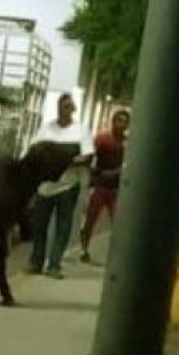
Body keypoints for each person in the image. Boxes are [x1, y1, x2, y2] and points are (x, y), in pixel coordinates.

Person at [27, 94, 94, 279]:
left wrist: (64, 161)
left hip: (67, 185)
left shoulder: (81, 131)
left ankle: (54, 264)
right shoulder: (46, 129)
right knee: (39, 226)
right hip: (45, 186)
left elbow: (88, 156)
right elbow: (34, 151)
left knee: (62, 227)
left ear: (72, 110)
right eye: (61, 107)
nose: (64, 110)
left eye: (67, 107)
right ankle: (36, 262)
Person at [79, 109, 129, 264]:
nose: (122, 124)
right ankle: (84, 250)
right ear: (113, 121)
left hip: (116, 188)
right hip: (100, 186)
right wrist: (94, 177)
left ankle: (117, 255)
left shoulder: (127, 143)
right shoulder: (102, 139)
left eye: (125, 121)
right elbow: (90, 159)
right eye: (119, 120)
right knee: (90, 220)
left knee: (119, 223)